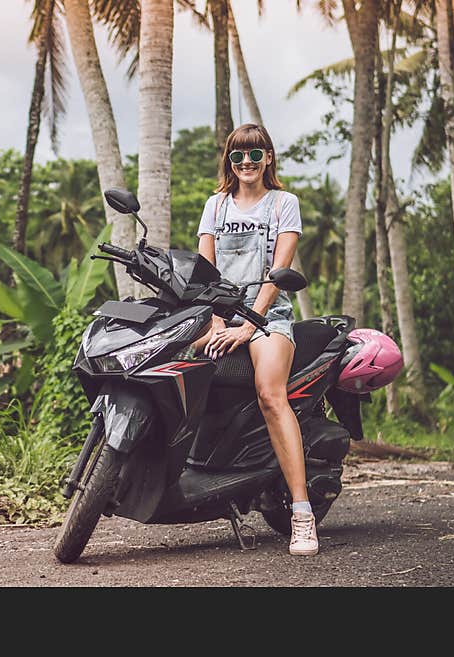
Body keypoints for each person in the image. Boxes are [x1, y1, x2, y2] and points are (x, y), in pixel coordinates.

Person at [191, 123, 318, 556]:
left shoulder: (284, 203)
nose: (246, 162)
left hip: (267, 317)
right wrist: (211, 323)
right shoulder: (215, 205)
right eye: (238, 155)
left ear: (268, 158)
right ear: (229, 161)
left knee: (270, 394)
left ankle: (302, 513)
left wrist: (248, 324)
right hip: (222, 316)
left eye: (255, 154)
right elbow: (206, 275)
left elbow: (276, 274)